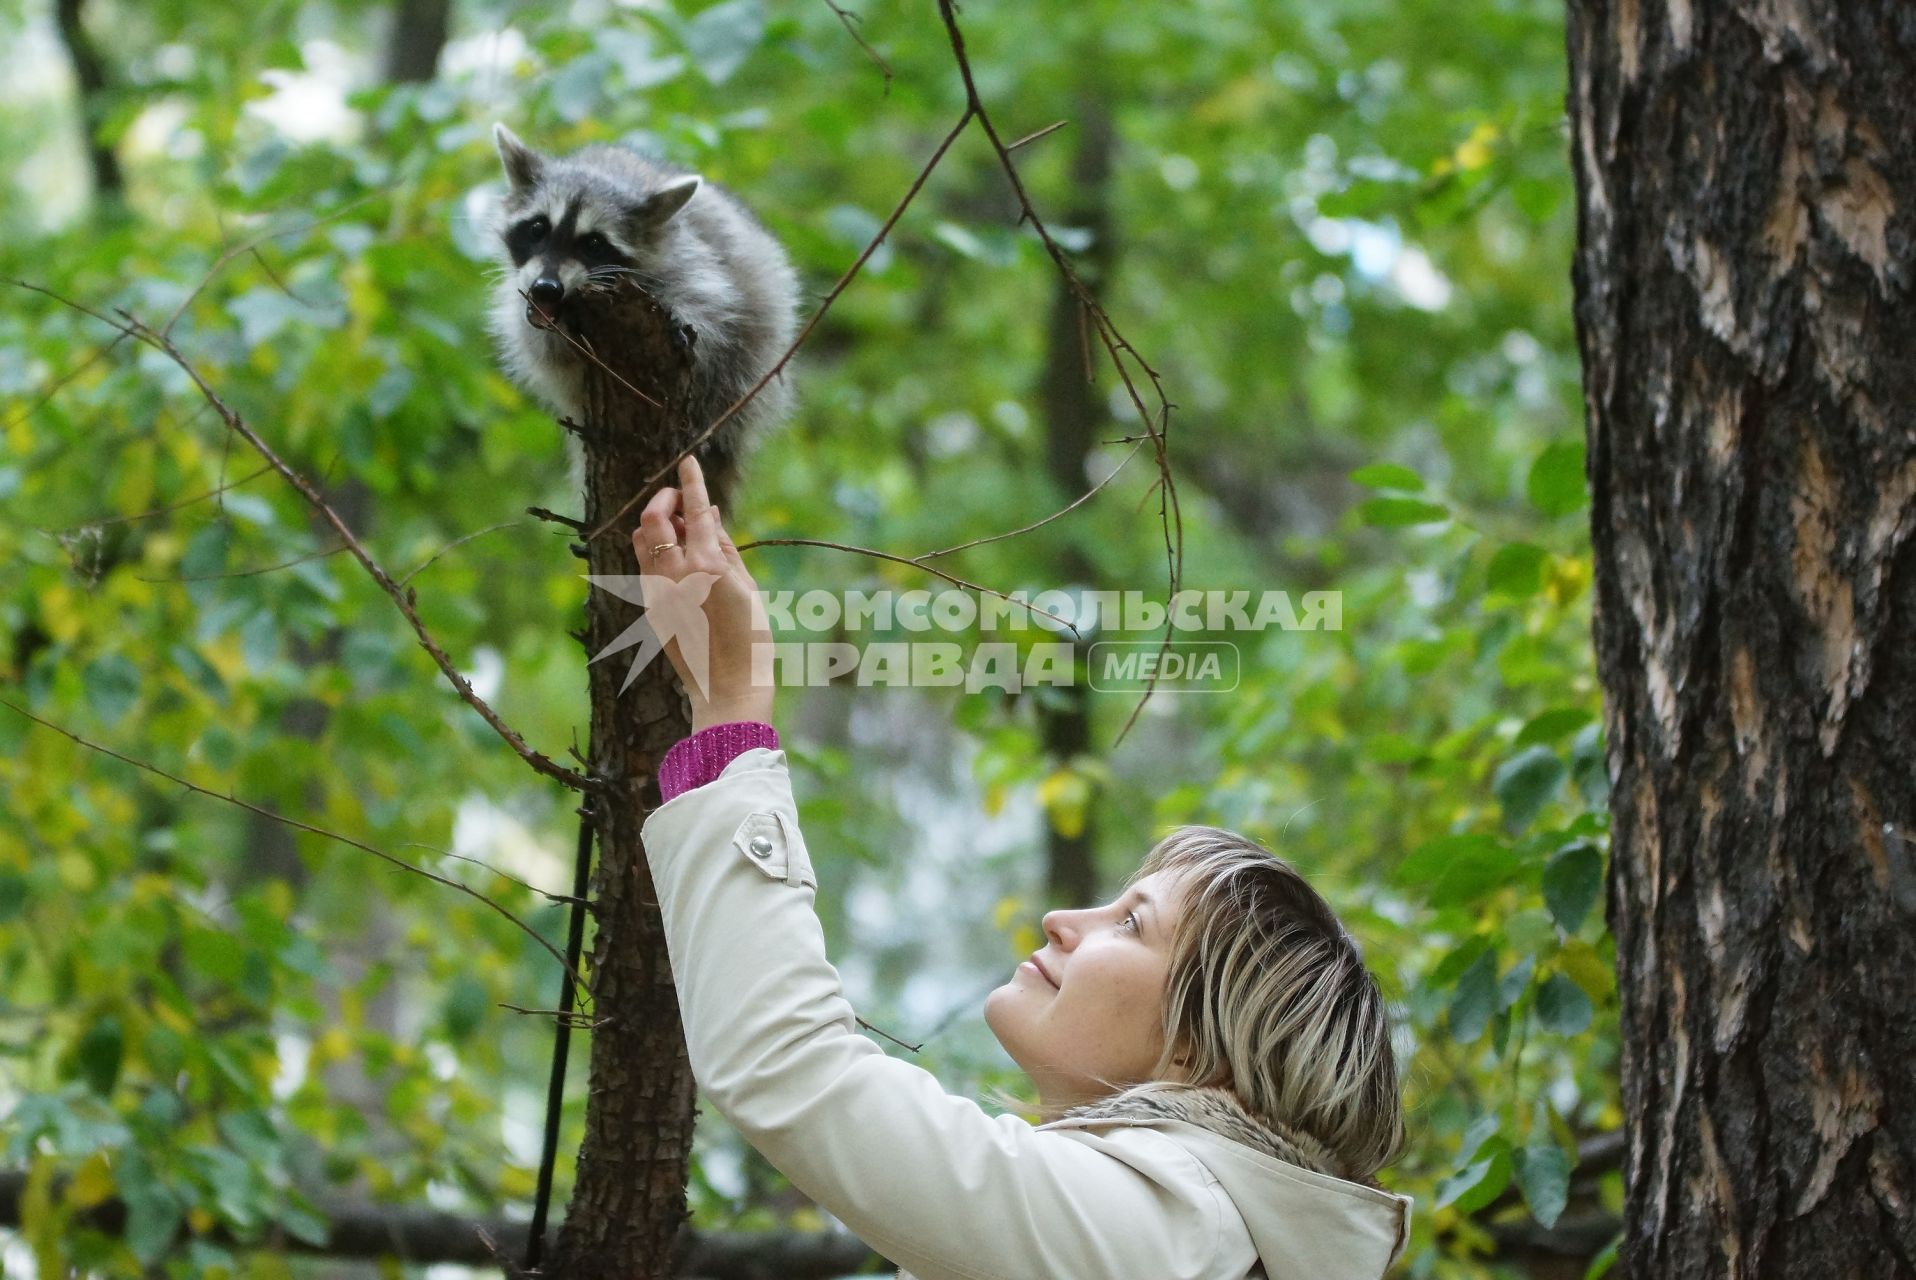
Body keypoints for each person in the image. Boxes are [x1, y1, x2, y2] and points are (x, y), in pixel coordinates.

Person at [631, 455, 1414, 1279]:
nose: (1061, 922)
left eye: (1132, 923)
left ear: (1200, 1058)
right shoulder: (1174, 1240)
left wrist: (732, 713)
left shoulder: (1158, 1234)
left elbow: (789, 1064)